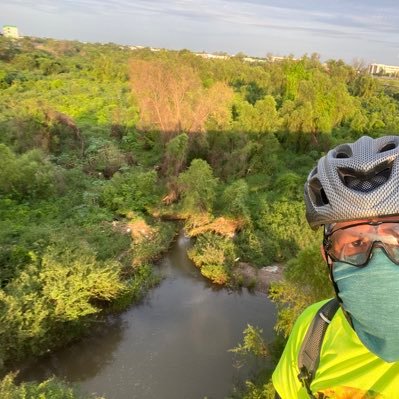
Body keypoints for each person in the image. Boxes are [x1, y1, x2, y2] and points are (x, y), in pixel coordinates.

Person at [272, 135, 399, 398]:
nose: (379, 258)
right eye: (355, 243)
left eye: (397, 237)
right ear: (327, 257)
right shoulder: (314, 328)